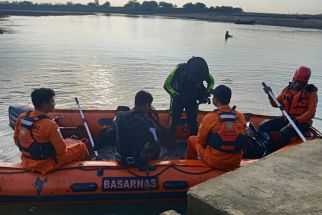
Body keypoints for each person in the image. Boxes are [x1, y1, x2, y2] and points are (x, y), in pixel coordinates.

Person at [14, 88, 91, 175]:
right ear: (44, 104)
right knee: (81, 146)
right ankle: (91, 170)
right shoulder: (50, 125)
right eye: (52, 101)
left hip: (26, 160)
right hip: (45, 164)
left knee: (68, 142)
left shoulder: (22, 117)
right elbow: (62, 150)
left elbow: (16, 141)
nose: (54, 103)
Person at [186, 85, 246, 170]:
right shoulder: (241, 116)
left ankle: (189, 166)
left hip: (215, 161)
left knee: (192, 139)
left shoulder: (210, 117)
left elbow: (201, 141)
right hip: (236, 161)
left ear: (215, 99)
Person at [259, 66, 318, 153]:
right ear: (293, 78)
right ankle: (264, 145)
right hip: (286, 119)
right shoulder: (287, 89)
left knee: (285, 133)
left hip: (301, 122)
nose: (297, 84)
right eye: (296, 81)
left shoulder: (311, 92)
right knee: (263, 127)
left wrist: (296, 121)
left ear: (306, 82)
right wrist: (270, 95)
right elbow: (275, 104)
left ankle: (272, 152)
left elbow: (311, 113)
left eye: (301, 83)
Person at [163, 56, 214, 143]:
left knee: (193, 123)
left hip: (192, 99)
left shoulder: (202, 70)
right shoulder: (180, 69)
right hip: (178, 98)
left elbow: (211, 81)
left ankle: (193, 144)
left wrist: (206, 93)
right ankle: (170, 143)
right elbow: (167, 85)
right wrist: (176, 95)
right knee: (174, 121)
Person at [114, 90, 161, 167]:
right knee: (157, 142)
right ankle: (154, 165)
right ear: (146, 106)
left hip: (120, 160)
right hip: (136, 162)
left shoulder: (119, 117)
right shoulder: (148, 123)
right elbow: (154, 142)